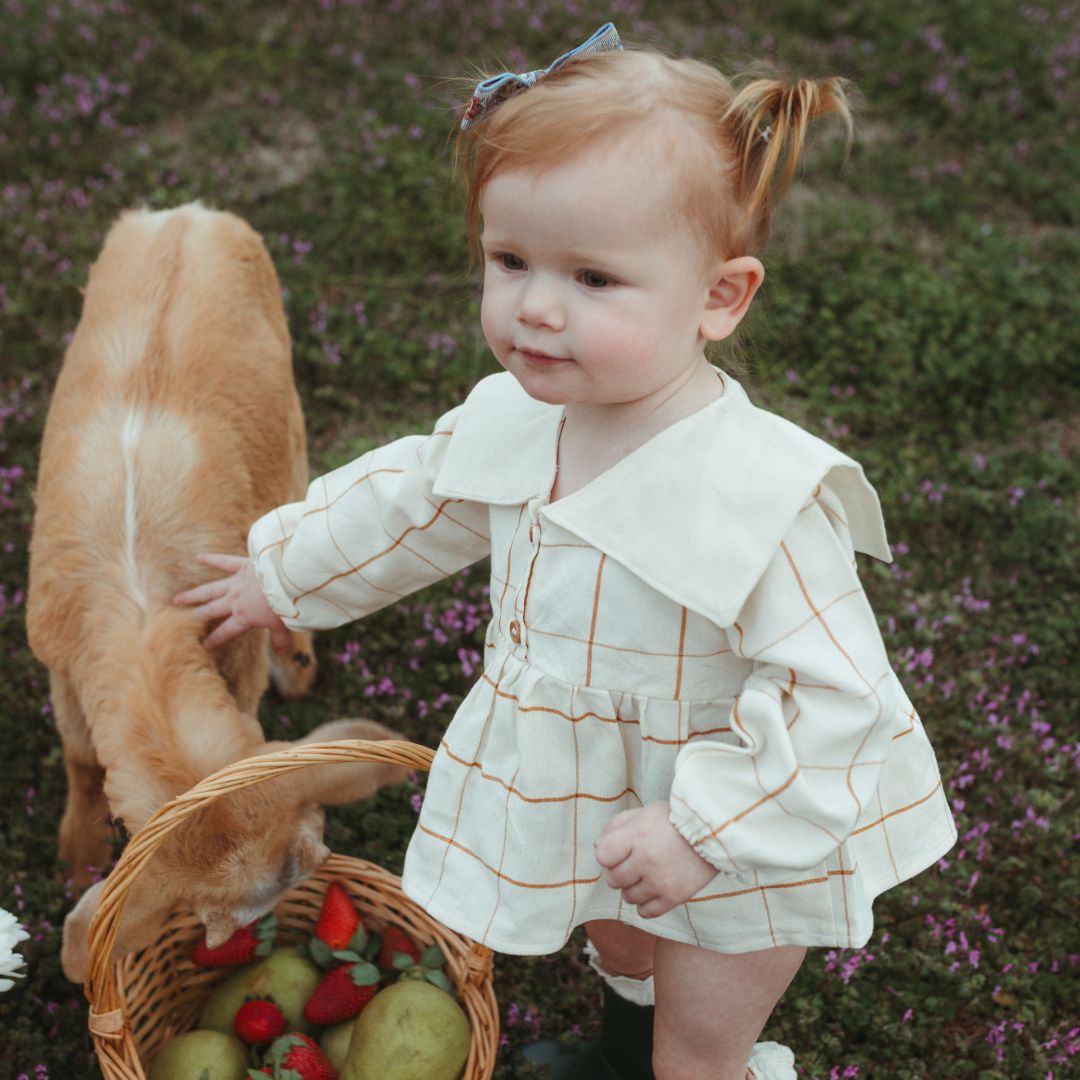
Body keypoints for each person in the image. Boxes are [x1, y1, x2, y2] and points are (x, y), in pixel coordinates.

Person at [175, 23, 957, 1080]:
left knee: (698, 1040)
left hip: (744, 835)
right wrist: (284, 574)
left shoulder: (759, 499)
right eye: (511, 262)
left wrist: (700, 831)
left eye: (592, 278)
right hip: (603, 785)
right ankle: (619, 1046)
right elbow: (416, 501)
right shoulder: (522, 418)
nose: (536, 307)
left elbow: (838, 699)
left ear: (720, 297)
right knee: (621, 946)